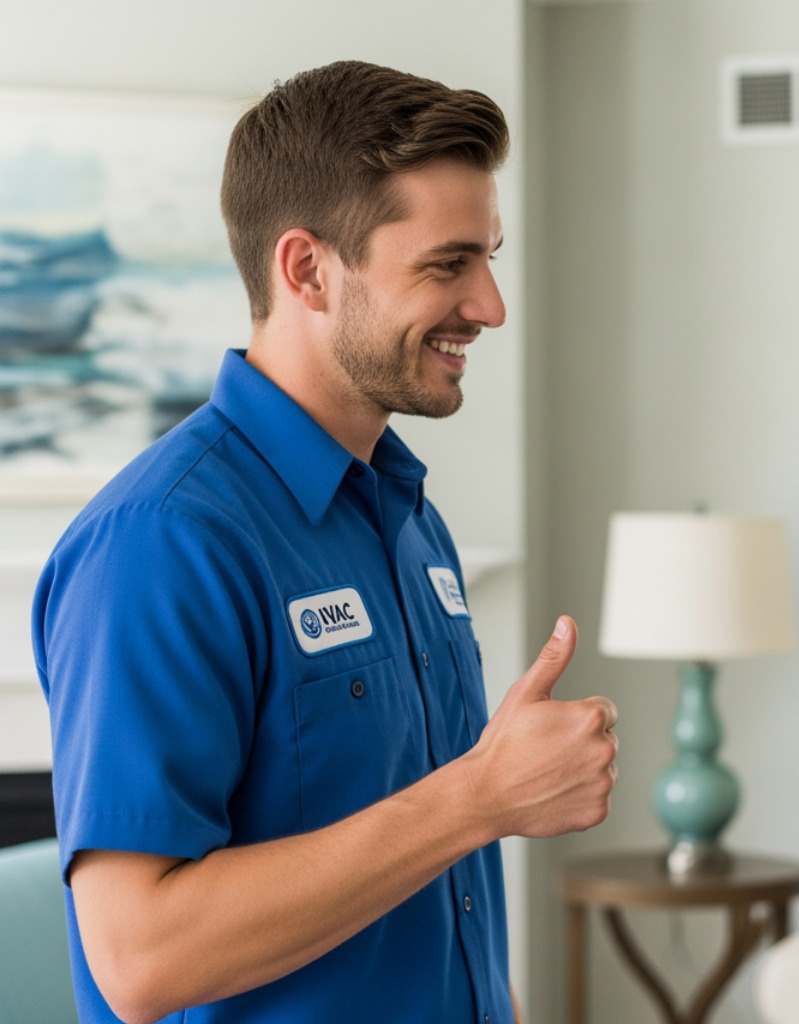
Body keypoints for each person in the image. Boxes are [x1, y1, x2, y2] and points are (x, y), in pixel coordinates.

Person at [32, 61, 618, 1024]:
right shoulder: (162, 544)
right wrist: (480, 798)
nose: (490, 306)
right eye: (447, 263)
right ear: (306, 269)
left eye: (489, 259)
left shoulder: (406, 516)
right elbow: (140, 958)